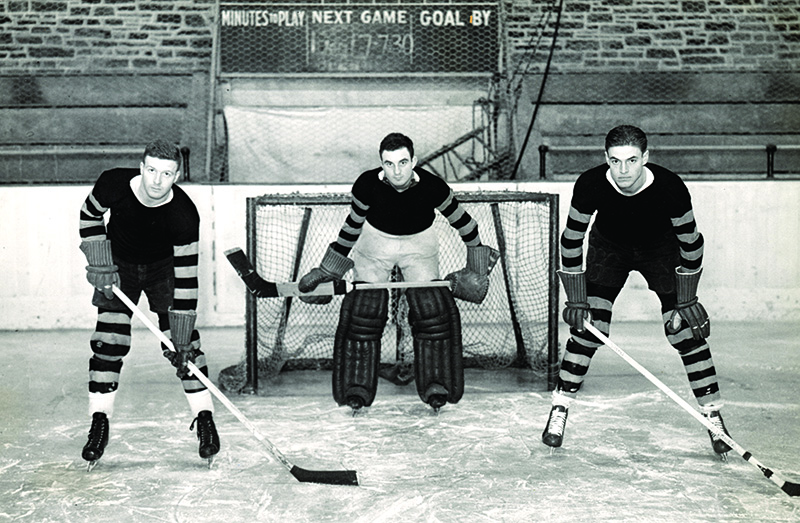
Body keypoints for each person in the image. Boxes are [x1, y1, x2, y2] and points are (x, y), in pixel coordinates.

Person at [543, 125, 731, 457]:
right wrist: (576, 298)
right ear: (606, 159)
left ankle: (713, 417)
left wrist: (687, 296)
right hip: (609, 251)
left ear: (646, 157)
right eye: (615, 161)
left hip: (661, 252)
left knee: (685, 332)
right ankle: (559, 408)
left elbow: (692, 244)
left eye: (632, 160)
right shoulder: (590, 184)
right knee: (589, 329)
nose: (624, 170)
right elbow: (571, 240)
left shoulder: (670, 188)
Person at [298, 132, 498, 412]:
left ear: (414, 161)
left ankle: (436, 383)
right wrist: (329, 268)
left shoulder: (433, 186)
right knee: (363, 312)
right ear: (381, 163)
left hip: (419, 242)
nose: (397, 171)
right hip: (375, 241)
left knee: (432, 311)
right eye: (389, 164)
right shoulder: (367, 185)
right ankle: (357, 387)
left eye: (403, 162)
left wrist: (477, 268)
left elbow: (464, 223)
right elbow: (352, 226)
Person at [78, 139, 220, 467]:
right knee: (109, 341)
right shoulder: (112, 183)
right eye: (152, 170)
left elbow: (186, 278)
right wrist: (100, 261)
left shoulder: (184, 216)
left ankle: (205, 421)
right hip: (119, 267)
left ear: (177, 176)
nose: (157, 180)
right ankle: (99, 422)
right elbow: (89, 214)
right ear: (141, 167)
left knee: (188, 349)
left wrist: (181, 336)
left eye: (166, 173)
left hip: (163, 270)